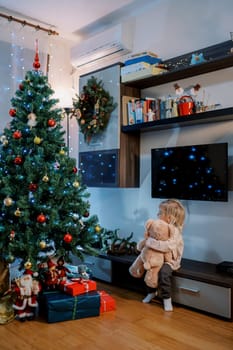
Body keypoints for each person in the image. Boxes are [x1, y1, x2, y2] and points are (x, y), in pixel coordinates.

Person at [141, 198, 186, 311]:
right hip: (157, 257)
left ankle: (167, 299)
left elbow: (168, 246)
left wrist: (150, 242)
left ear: (170, 218)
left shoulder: (175, 232)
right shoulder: (160, 227)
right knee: (149, 269)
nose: (157, 214)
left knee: (164, 273)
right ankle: (151, 292)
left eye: (160, 213)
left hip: (170, 260)